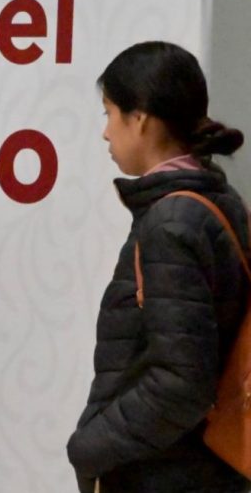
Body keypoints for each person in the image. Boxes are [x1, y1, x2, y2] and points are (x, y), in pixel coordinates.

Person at [67, 41, 251, 492]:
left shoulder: (172, 221)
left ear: (141, 119)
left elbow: (182, 383)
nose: (105, 133)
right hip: (205, 470)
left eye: (109, 113)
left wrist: (90, 447)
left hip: (164, 475)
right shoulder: (217, 202)